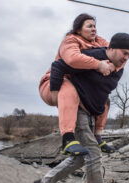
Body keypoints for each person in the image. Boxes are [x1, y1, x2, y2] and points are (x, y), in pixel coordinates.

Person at [34, 33, 129, 183]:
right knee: (94, 155)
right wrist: (57, 93)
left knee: (81, 157)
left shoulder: (119, 69)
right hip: (76, 108)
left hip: (90, 112)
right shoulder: (93, 55)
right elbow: (59, 65)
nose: (126, 58)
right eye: (124, 53)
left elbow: (101, 92)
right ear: (112, 48)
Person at [39, 13, 116, 156]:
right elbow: (72, 59)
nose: (94, 29)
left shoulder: (99, 41)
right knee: (68, 88)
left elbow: (114, 53)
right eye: (89, 26)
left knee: (105, 100)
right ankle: (68, 139)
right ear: (79, 30)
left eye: (95, 26)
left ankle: (98, 136)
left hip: (80, 87)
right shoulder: (70, 40)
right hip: (54, 83)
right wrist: (98, 64)